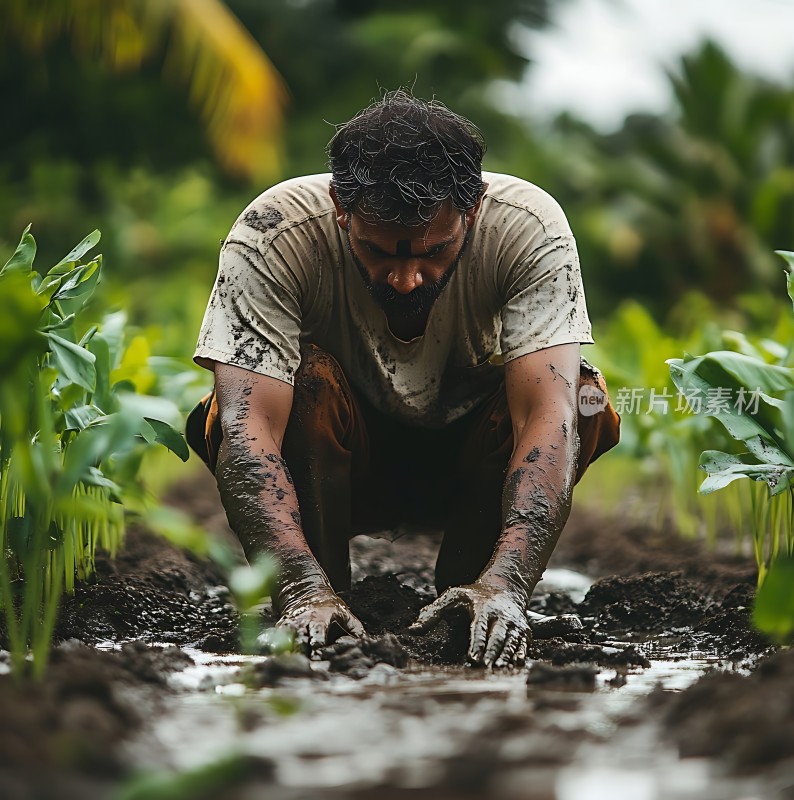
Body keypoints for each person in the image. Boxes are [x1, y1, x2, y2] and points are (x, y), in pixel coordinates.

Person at [186, 90, 620, 668]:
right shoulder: (274, 233)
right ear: (341, 207)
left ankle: (476, 595)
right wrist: (298, 588)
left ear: (475, 209)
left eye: (434, 252)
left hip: (470, 469)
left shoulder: (529, 228)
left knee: (584, 398)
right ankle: (321, 601)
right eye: (378, 252)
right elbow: (247, 430)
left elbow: (550, 417)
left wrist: (509, 584)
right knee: (303, 381)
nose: (407, 279)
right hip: (339, 461)